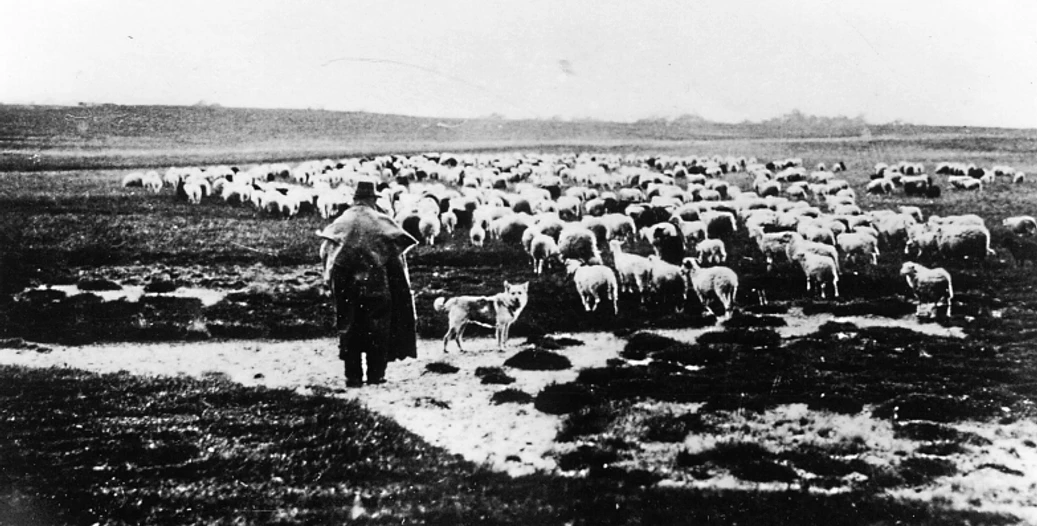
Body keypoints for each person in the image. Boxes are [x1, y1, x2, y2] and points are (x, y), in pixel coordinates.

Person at [316, 180, 418, 387]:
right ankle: (376, 375)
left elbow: (326, 252)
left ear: (355, 200)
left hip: (346, 283)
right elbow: (397, 250)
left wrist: (330, 280)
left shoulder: (342, 221)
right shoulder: (381, 221)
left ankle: (353, 376)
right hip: (375, 283)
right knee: (378, 327)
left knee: (349, 324)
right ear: (372, 199)